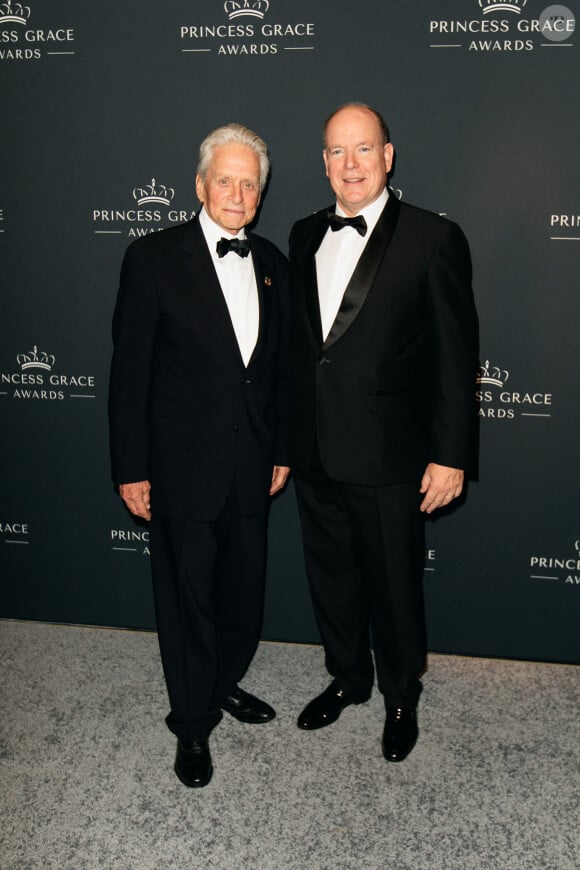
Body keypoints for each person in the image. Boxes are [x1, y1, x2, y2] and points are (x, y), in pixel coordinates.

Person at [288, 103, 478, 762]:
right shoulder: (303, 232)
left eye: (363, 149)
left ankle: (401, 695)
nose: (350, 165)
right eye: (336, 152)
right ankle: (348, 678)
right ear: (323, 162)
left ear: (388, 156)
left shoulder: (433, 237)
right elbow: (300, 349)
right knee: (331, 577)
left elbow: (456, 356)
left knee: (396, 586)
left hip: (391, 455)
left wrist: (449, 456)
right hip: (316, 450)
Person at [108, 123, 290, 788]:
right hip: (180, 467)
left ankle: (223, 682)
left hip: (252, 468)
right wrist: (131, 466)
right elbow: (129, 375)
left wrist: (283, 451)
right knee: (186, 601)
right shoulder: (153, 258)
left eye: (250, 183)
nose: (237, 193)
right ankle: (190, 724)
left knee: (242, 594)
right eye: (226, 180)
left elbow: (278, 375)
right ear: (200, 185)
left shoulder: (272, 261)